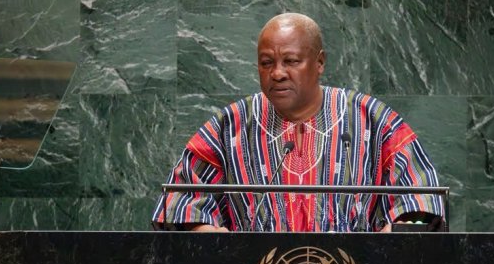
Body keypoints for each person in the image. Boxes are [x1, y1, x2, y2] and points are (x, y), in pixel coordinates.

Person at [152, 13, 443, 232]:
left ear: (319, 63)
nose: (277, 73)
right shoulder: (229, 127)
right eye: (266, 63)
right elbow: (178, 207)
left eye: (291, 61)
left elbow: (423, 207)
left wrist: (402, 230)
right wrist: (204, 233)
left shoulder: (373, 120)